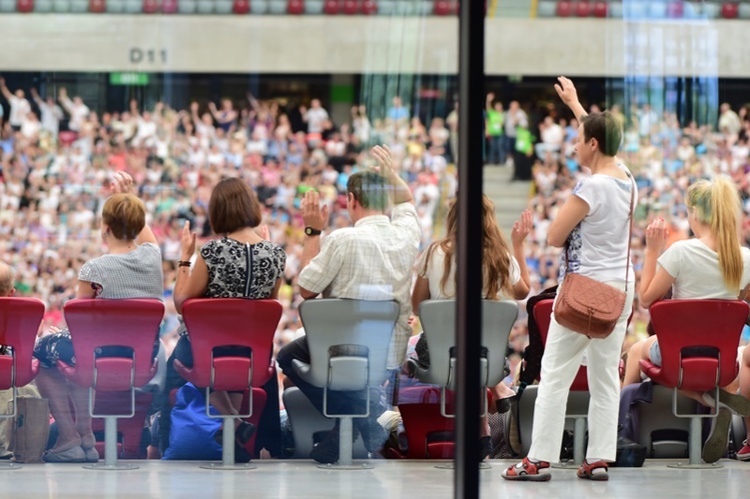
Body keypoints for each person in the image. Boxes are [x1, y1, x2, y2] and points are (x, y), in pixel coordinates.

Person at [502, 77, 636, 482]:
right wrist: (577, 106)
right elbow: (605, 141)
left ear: (592, 145)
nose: (575, 145)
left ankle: (538, 458)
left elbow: (555, 236)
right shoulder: (626, 179)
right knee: (604, 375)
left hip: (583, 292)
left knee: (555, 374)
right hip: (619, 290)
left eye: (579, 139)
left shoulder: (590, 186)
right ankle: (598, 459)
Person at [277, 144, 420, 464]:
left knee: (287, 357)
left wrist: (312, 230)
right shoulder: (406, 236)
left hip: (340, 352)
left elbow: (307, 289)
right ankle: (359, 420)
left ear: (352, 201)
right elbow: (408, 201)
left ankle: (357, 417)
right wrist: (391, 174)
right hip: (386, 355)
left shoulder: (342, 239)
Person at [33, 172, 163, 463]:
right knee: (78, 352)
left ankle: (70, 436)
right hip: (143, 355)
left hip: (99, 353)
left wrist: (60, 333)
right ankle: (86, 438)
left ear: (104, 229)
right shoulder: (153, 257)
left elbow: (79, 329)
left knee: (44, 352)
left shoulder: (94, 269)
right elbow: (143, 231)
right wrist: (129, 196)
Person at [622, 176, 750, 463]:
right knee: (704, 367)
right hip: (722, 360)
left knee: (636, 352)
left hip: (679, 357)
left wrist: (653, 249)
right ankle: (714, 399)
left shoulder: (680, 251)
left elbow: (645, 299)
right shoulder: (744, 258)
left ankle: (617, 432)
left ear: (695, 213)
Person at [164, 177, 286, 455]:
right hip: (255, 354)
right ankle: (248, 433)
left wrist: (185, 258)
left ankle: (160, 443)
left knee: (175, 366)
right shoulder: (276, 254)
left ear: (219, 212)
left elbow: (183, 303)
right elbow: (271, 301)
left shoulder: (212, 252)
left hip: (211, 350)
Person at [411, 195, 532, 459]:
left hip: (439, 355)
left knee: (457, 348)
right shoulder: (500, 257)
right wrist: (518, 246)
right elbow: (523, 291)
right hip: (489, 359)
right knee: (476, 352)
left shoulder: (434, 252)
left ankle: (477, 434)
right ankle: (484, 432)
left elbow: (417, 305)